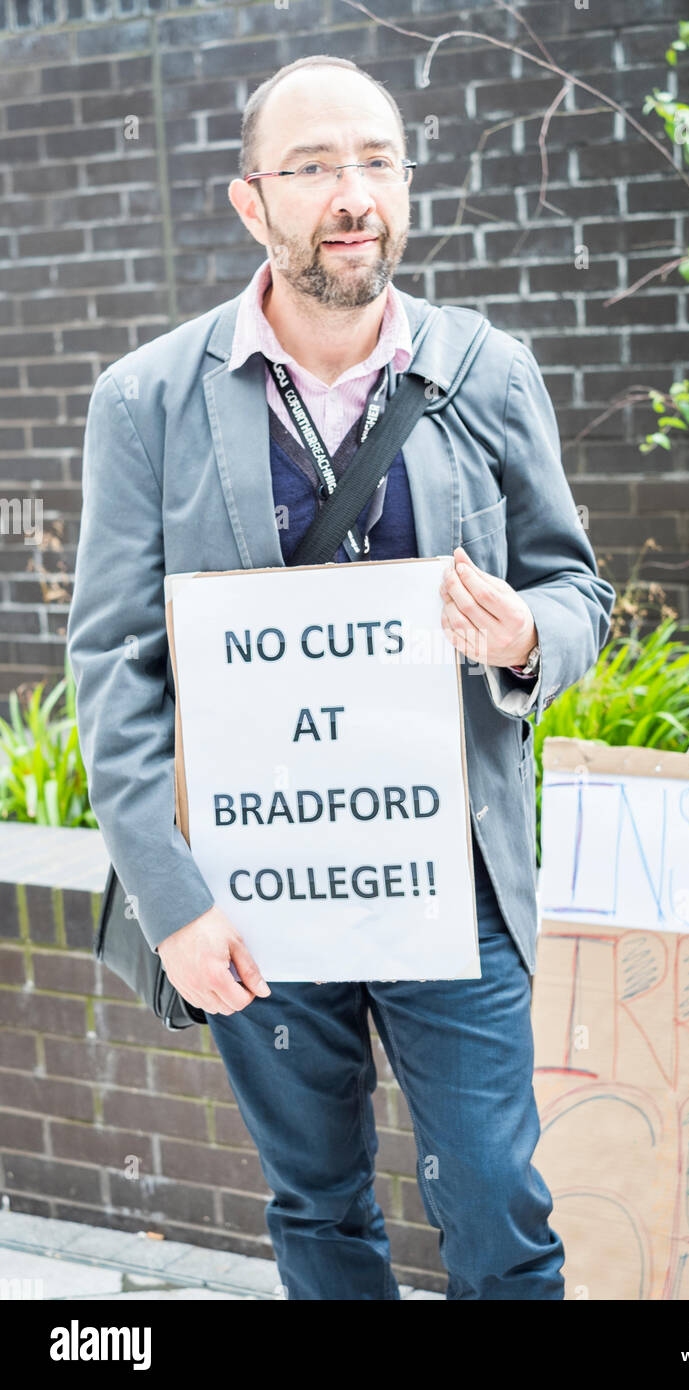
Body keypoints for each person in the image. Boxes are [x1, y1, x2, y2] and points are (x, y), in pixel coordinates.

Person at [67, 54, 616, 1300]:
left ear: (404, 188)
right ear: (250, 202)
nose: (350, 191)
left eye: (374, 162)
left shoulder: (485, 373)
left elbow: (575, 591)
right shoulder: (144, 401)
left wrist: (523, 637)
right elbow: (112, 660)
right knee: (316, 1204)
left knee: (496, 1199)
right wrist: (172, 898)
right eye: (311, 166)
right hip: (257, 897)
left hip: (454, 883)